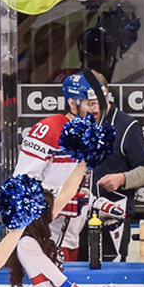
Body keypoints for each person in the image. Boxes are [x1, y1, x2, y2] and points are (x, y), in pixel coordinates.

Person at [12, 73, 122, 262]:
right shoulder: (48, 129)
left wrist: (96, 204)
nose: (97, 110)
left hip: (71, 239)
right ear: (72, 102)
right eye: (91, 103)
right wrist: (60, 200)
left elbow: (76, 185)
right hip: (43, 239)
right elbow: (21, 185)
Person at [76, 73, 144, 261]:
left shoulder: (127, 126)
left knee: (109, 277)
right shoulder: (76, 123)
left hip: (111, 217)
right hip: (75, 217)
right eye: (85, 103)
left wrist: (122, 179)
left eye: (94, 103)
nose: (90, 108)